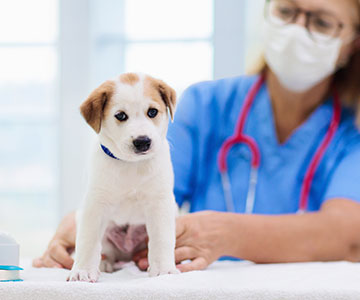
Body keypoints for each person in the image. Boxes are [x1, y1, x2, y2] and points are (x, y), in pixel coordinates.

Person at [34, 0, 360, 272]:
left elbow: (349, 234)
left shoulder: (353, 129)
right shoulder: (206, 104)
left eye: (322, 22)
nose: (296, 31)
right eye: (286, 12)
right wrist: (86, 222)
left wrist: (227, 234)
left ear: (353, 43)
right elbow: (141, 185)